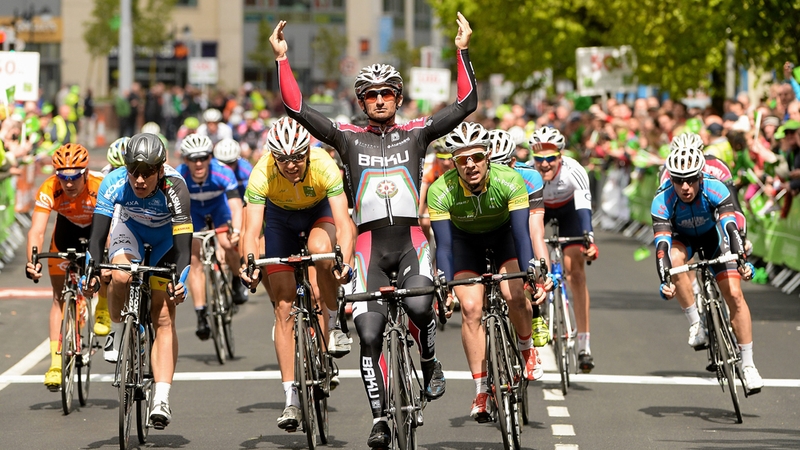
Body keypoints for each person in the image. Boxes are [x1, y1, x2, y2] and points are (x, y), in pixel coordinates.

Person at [269, 12, 476, 448]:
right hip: (367, 245)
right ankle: (380, 417)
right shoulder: (346, 137)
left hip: (409, 241)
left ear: (397, 98)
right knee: (368, 335)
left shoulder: (417, 134)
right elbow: (296, 108)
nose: (380, 99)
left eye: (387, 93)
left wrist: (462, 51)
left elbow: (466, 105)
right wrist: (283, 60)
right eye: (371, 95)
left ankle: (430, 360)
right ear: (362, 102)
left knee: (420, 308)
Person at [427, 122, 551, 422]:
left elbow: (522, 236)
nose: (470, 165)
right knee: (470, 309)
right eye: (462, 160)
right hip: (463, 242)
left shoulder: (509, 180)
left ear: (488, 156)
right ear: (453, 162)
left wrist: (531, 271)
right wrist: (443, 283)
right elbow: (443, 246)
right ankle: (482, 388)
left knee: (513, 292)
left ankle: (526, 349)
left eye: (477, 158)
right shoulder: (440, 190)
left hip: (503, 237)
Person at [239, 117, 355, 431]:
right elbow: (249, 231)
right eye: (283, 159)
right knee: (283, 305)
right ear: (272, 157)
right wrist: (248, 264)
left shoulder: (324, 164)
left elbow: (344, 224)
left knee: (320, 250)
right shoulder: (261, 172)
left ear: (308, 151)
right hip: (280, 222)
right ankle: (291, 399)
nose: (291, 165)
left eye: (297, 157)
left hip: (319, 214)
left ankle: (331, 324)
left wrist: (342, 259)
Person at [84, 133, 192, 429]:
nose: (140, 180)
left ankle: (161, 397)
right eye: (134, 171)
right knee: (120, 274)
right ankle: (119, 329)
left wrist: (180, 281)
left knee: (164, 315)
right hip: (129, 231)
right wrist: (90, 273)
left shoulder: (176, 188)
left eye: (147, 173)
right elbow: (96, 239)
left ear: (160, 170)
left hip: (165, 242)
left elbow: (184, 250)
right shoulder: (115, 182)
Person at [652, 142, 764, 394]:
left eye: (691, 180)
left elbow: (730, 227)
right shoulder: (662, 198)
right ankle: (696, 324)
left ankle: (748, 365)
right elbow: (661, 246)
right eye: (679, 181)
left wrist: (742, 260)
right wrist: (664, 280)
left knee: (734, 294)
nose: (685, 187)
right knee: (675, 259)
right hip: (684, 240)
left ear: (700, 176)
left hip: (714, 238)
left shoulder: (715, 187)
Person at [25, 144, 110, 391]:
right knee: (59, 297)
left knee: (105, 266)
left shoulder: (100, 185)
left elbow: (114, 229)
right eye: (63, 177)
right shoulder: (50, 188)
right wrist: (32, 261)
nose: (68, 183)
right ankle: (55, 364)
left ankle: (102, 304)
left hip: (98, 230)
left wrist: (108, 260)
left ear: (85, 173)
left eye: (74, 177)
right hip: (67, 232)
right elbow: (37, 230)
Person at [529, 126, 599, 372]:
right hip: (541, 210)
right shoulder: (528, 173)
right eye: (539, 160)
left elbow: (584, 211)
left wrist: (588, 240)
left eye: (550, 159)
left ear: (560, 156)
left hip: (570, 211)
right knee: (530, 260)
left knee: (575, 271)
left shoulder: (574, 170)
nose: (545, 164)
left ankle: (584, 345)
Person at [177, 134, 248, 342]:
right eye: (192, 158)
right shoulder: (179, 176)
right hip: (193, 212)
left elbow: (235, 206)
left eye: (203, 157)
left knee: (227, 243)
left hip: (219, 208)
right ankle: (201, 315)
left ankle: (236, 281)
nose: (198, 163)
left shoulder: (223, 172)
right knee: (194, 258)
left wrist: (236, 229)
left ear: (210, 158)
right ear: (185, 160)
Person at [488, 129, 550, 346]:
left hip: (518, 223)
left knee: (528, 251)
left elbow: (534, 231)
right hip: (491, 226)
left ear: (513, 162)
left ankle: (536, 313)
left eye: (501, 165)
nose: (495, 172)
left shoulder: (529, 177)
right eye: (490, 165)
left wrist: (540, 276)